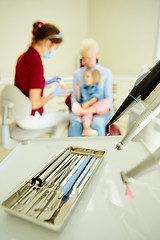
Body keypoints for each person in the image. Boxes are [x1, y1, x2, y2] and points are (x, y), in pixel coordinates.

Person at [14, 21, 68, 130]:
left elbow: (26, 83)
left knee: (56, 115)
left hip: (19, 114)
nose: (54, 52)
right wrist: (54, 93)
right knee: (67, 118)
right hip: (29, 118)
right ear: (48, 43)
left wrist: (47, 82)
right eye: (55, 49)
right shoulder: (36, 63)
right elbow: (35, 104)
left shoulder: (24, 57)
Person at [68, 38, 112, 137]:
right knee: (76, 125)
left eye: (89, 57)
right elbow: (74, 98)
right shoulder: (77, 74)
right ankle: (73, 152)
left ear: (96, 55)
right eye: (83, 58)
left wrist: (96, 110)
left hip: (100, 111)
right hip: (81, 110)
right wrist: (79, 109)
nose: (85, 61)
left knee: (97, 124)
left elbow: (108, 99)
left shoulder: (106, 73)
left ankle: (96, 152)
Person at [72, 68, 102, 136]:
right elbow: (79, 99)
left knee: (87, 115)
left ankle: (86, 129)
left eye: (87, 76)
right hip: (84, 107)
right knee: (78, 110)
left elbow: (95, 98)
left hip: (90, 108)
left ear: (94, 78)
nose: (85, 78)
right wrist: (77, 91)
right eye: (84, 76)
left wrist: (87, 104)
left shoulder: (96, 87)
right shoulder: (83, 88)